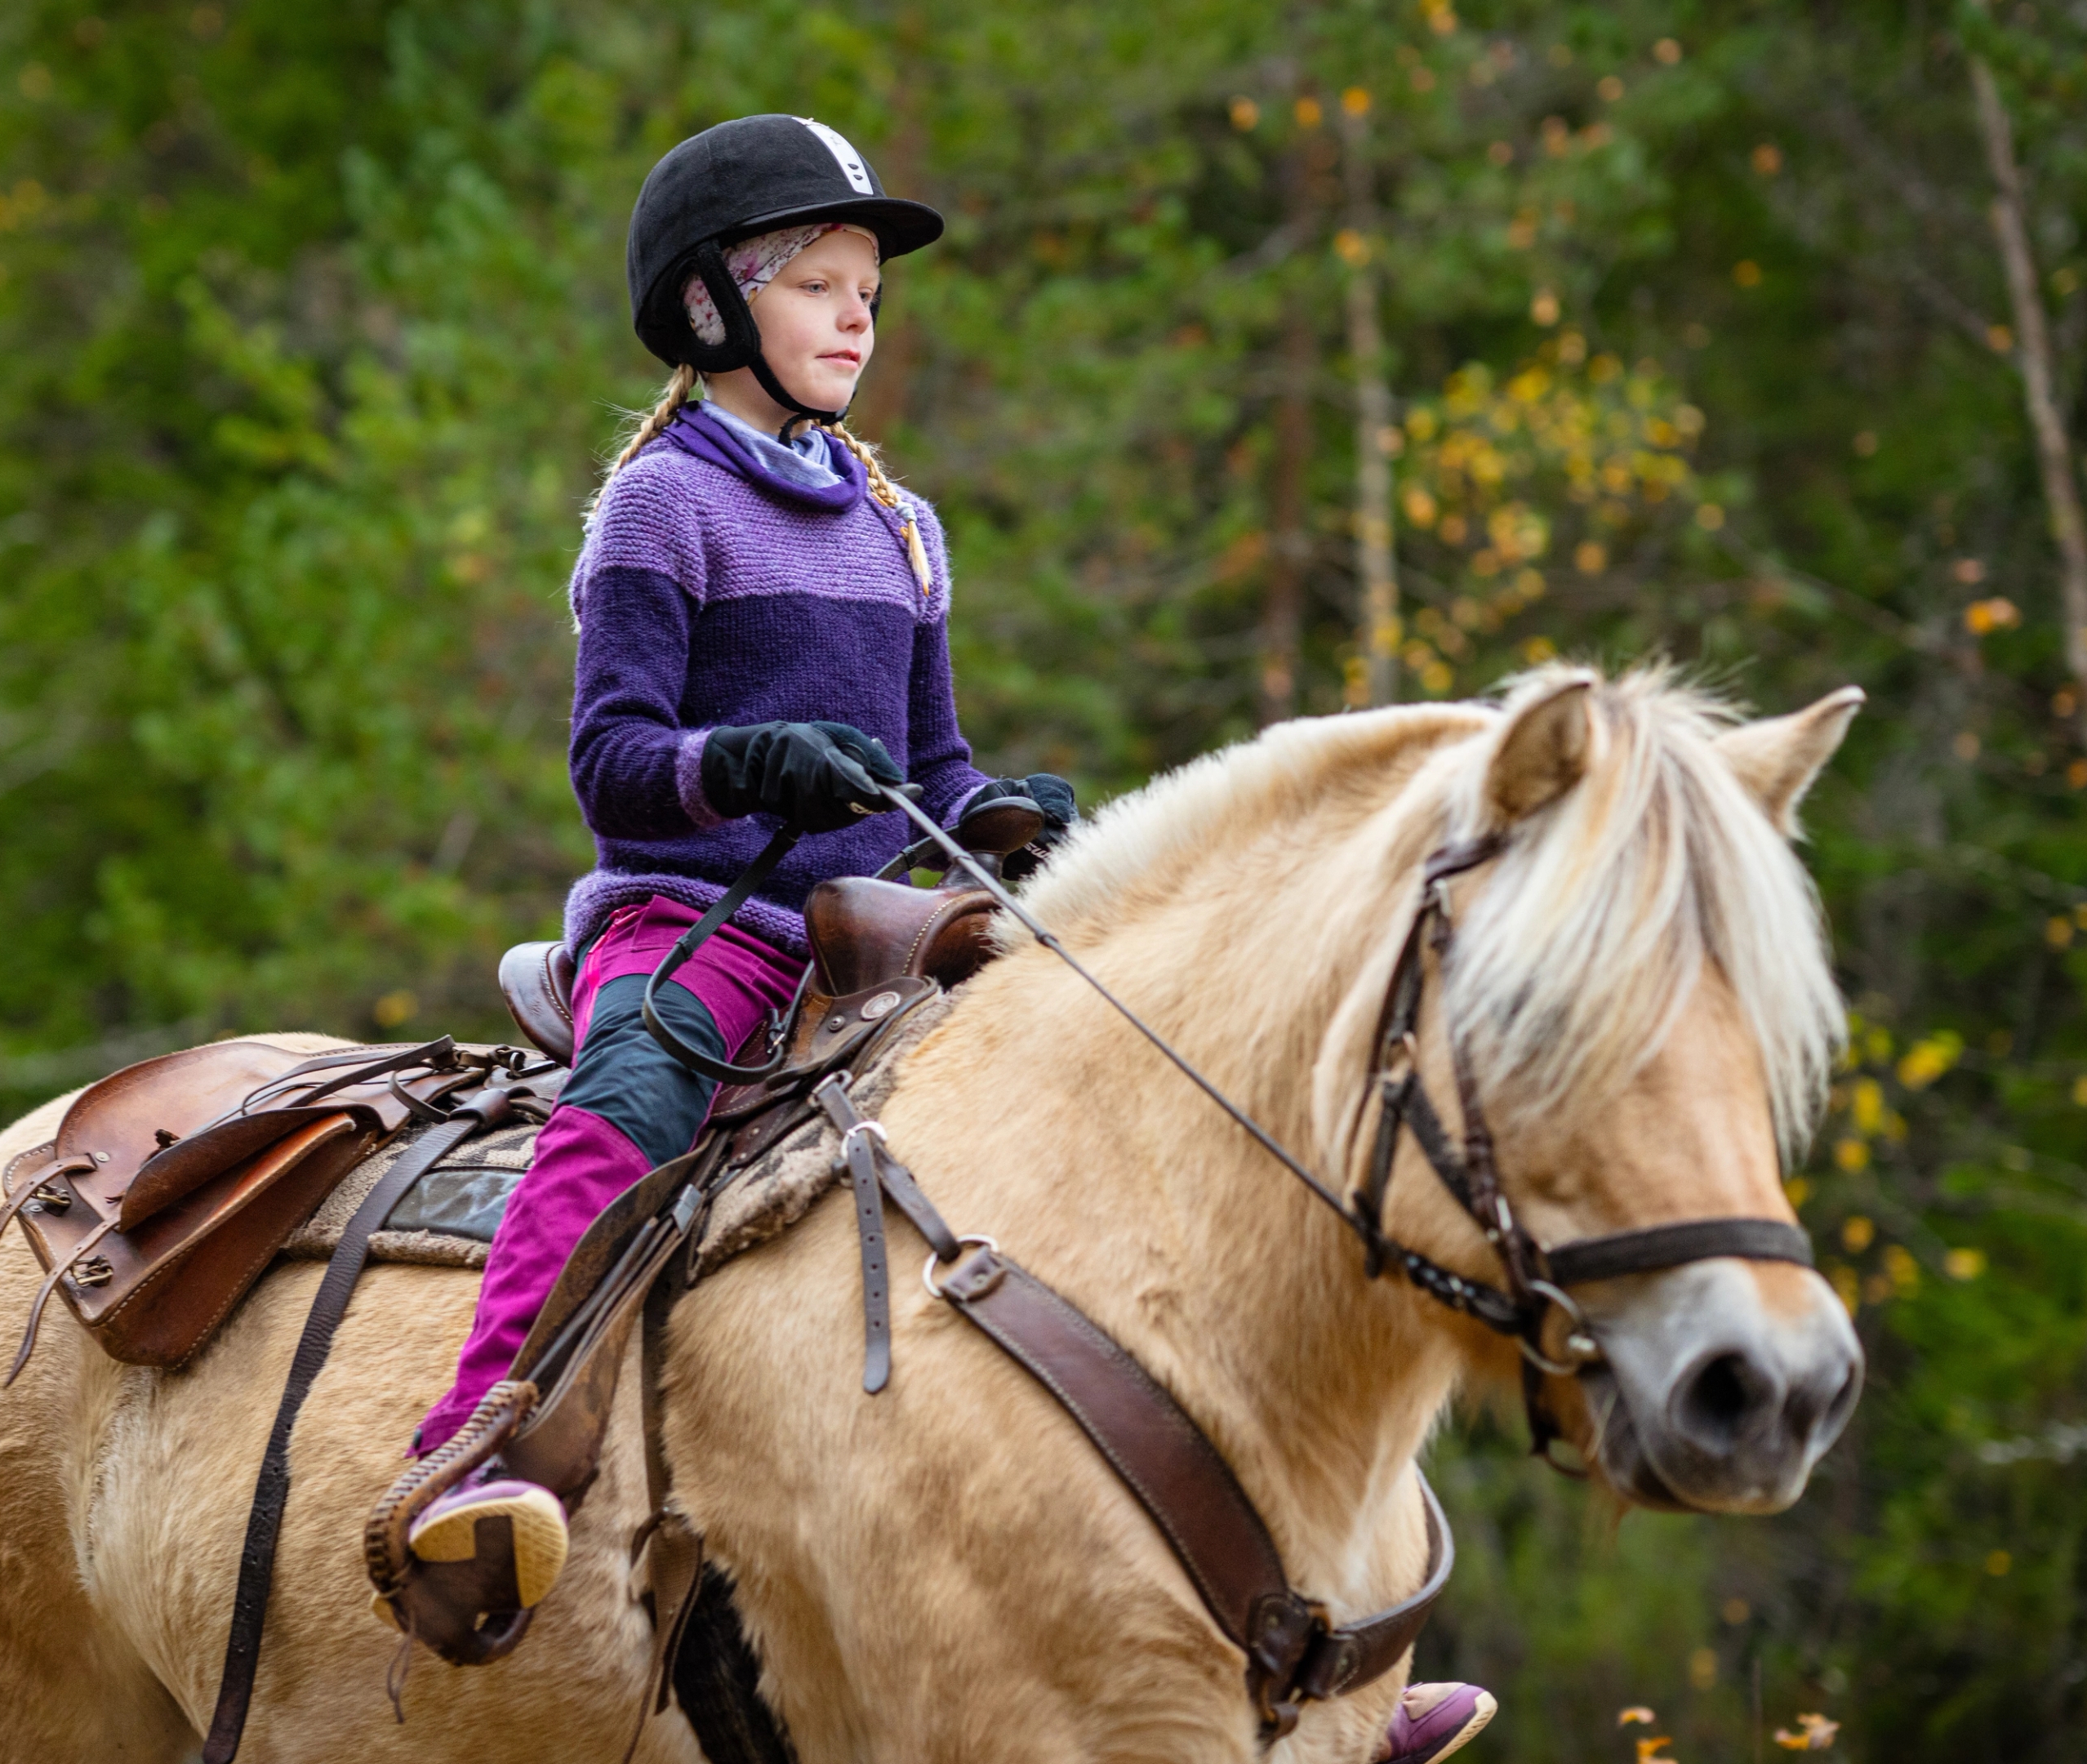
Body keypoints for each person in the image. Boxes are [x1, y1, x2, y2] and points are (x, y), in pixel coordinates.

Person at [377, 114, 1493, 1764]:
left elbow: (937, 767)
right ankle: (483, 1454)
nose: (854, 320)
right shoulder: (658, 514)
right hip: (703, 921)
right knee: (631, 1092)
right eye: (818, 286)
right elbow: (614, 772)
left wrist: (1004, 812)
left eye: (868, 295)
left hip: (889, 932)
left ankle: (1310, 1661)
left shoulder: (903, 527)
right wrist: (735, 765)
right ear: (706, 310)